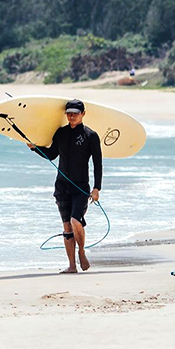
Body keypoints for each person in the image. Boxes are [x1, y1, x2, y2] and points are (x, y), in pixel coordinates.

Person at [28, 99, 102, 274]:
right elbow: (52, 155)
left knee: (76, 220)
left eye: (75, 113)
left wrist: (97, 188)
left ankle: (82, 252)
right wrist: (34, 148)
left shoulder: (90, 135)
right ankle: (71, 265)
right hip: (62, 186)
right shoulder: (60, 133)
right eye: (69, 113)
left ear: (83, 114)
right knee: (67, 226)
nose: (72, 116)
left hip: (81, 187)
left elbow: (98, 163)